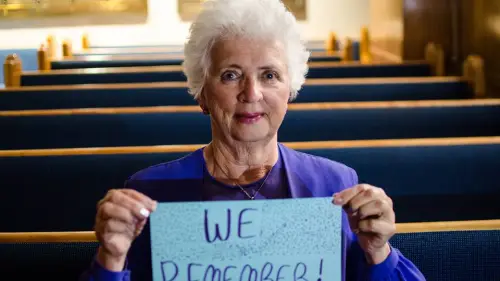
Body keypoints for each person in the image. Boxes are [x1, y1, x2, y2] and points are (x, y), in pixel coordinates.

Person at [80, 0, 426, 280]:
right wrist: (111, 258)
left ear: (290, 91)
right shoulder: (150, 193)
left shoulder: (335, 186)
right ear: (202, 93)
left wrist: (378, 251)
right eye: (231, 75)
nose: (252, 93)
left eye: (269, 75)